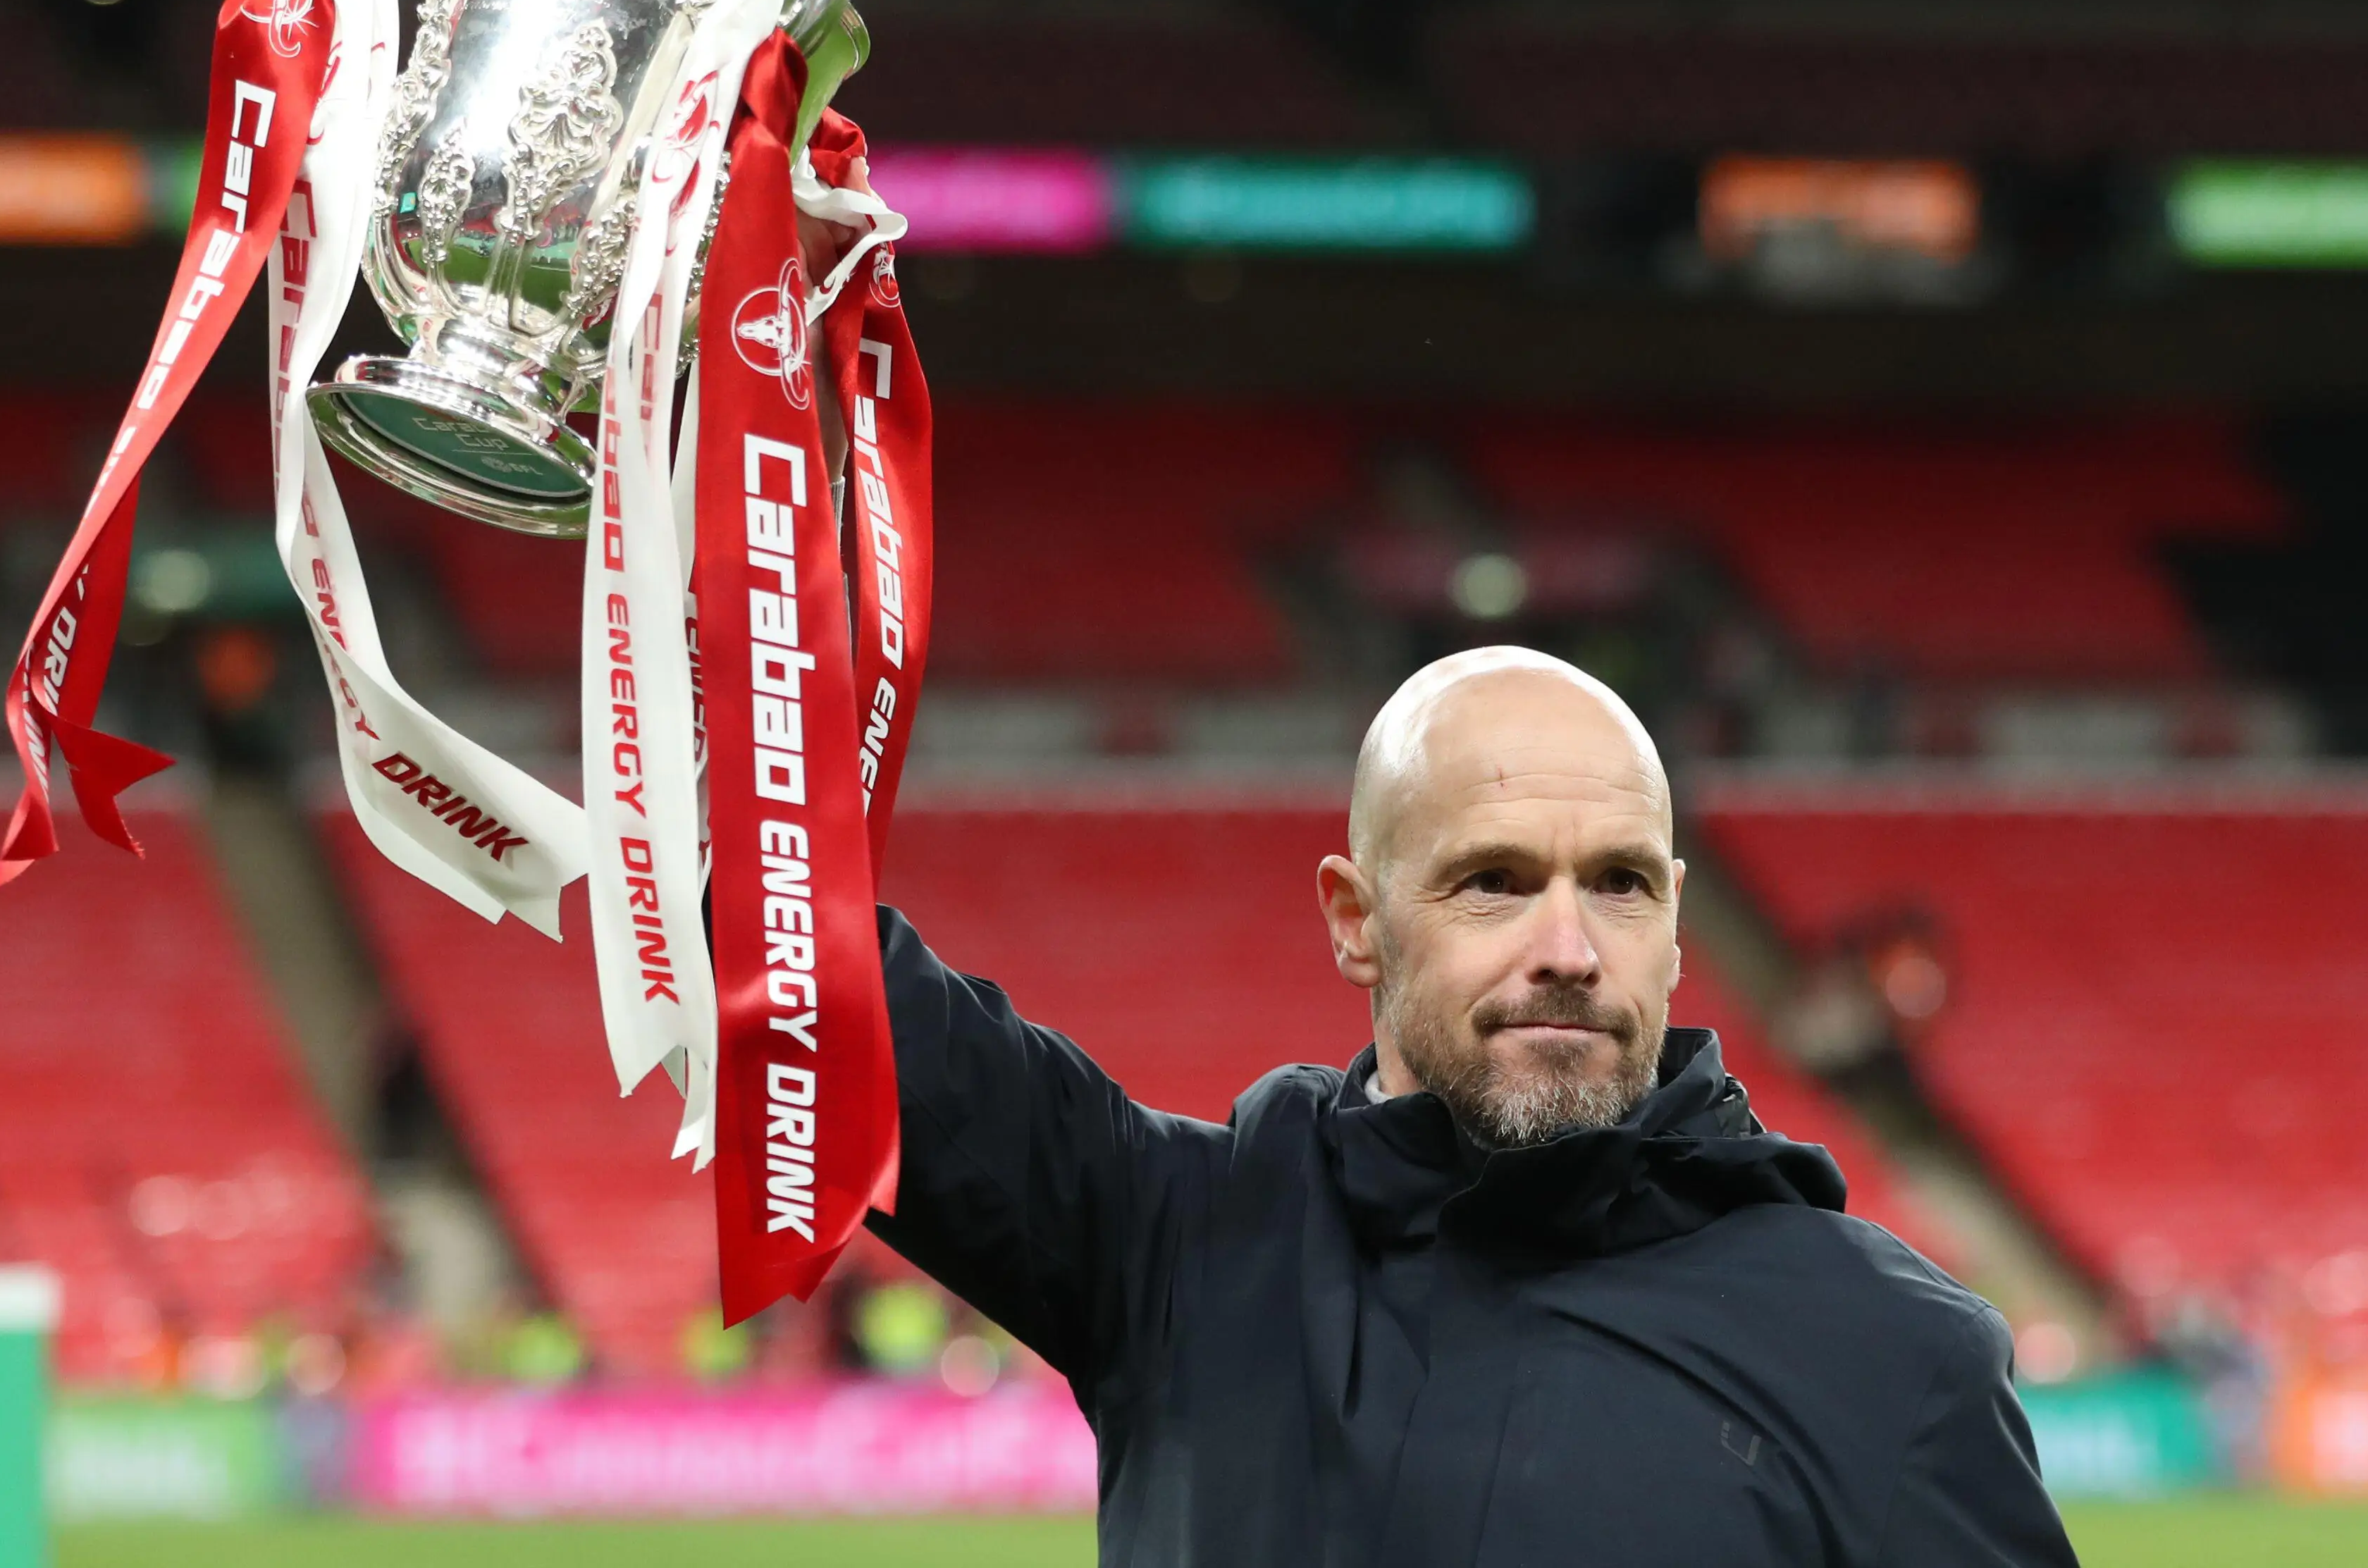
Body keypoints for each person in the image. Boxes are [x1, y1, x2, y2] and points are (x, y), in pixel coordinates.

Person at [863, 645, 2075, 1564]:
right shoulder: (1180, 1239)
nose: (1570, 946)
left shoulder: (1893, 1356)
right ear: (1357, 920)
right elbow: (799, 981)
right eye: (1493, 882)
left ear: (1674, 924)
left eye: (1620, 883)